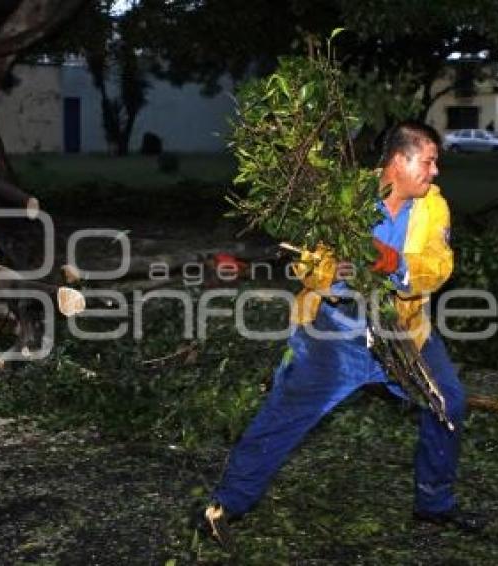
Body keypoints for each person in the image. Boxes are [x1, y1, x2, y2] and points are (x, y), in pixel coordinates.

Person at [204, 120, 482, 551]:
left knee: (447, 403)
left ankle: (434, 503)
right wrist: (344, 272)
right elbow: (305, 266)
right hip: (336, 333)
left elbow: (439, 265)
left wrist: (395, 265)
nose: (435, 172)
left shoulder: (433, 207)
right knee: (285, 415)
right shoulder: (339, 201)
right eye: (428, 162)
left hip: (404, 329)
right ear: (398, 161)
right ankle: (225, 505)